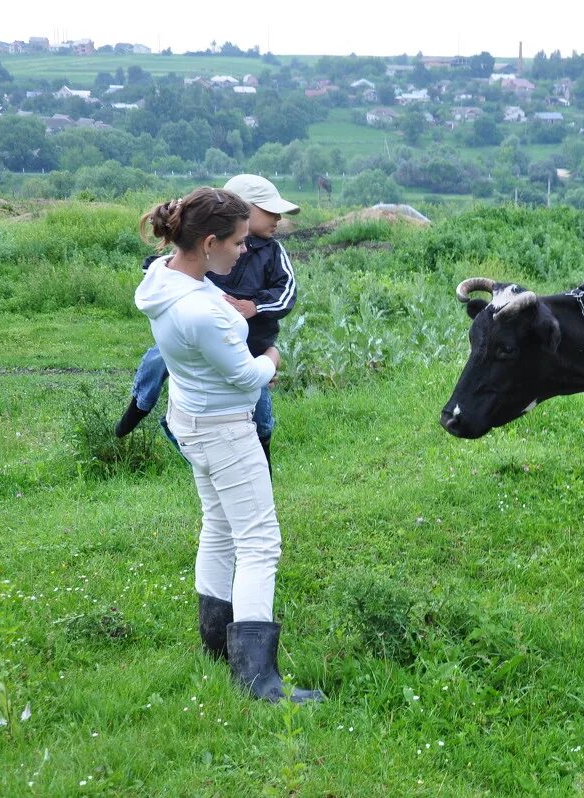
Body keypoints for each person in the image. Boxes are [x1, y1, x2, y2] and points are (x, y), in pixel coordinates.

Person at [135, 186, 323, 704]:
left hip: (190, 418)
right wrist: (273, 358)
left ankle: (216, 642)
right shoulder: (205, 313)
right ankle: (258, 678)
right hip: (225, 427)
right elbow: (246, 378)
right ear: (211, 241)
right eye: (238, 243)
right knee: (261, 542)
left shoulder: (162, 279)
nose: (244, 252)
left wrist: (232, 309)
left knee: (218, 527)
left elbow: (214, 302)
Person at [116, 174, 300, 471]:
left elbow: (287, 291)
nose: (277, 218)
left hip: (250, 342)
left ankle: (260, 460)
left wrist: (254, 306)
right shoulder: (209, 249)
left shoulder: (271, 251)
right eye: (270, 210)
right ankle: (140, 405)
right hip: (202, 337)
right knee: (158, 358)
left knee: (261, 414)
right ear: (242, 209)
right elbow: (177, 267)